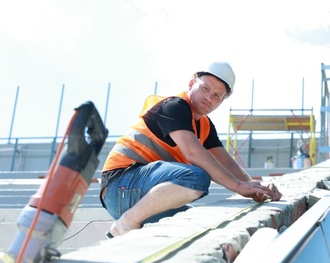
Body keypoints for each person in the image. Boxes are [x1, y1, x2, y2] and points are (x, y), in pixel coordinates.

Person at [100, 61, 282, 237]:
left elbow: (225, 162)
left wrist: (257, 189)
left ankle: (129, 224)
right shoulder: (174, 106)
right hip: (120, 186)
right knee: (196, 178)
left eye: (218, 95)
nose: (209, 97)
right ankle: (126, 223)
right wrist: (238, 186)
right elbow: (194, 153)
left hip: (142, 195)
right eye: (205, 88)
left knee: (197, 225)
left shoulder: (204, 125)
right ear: (191, 83)